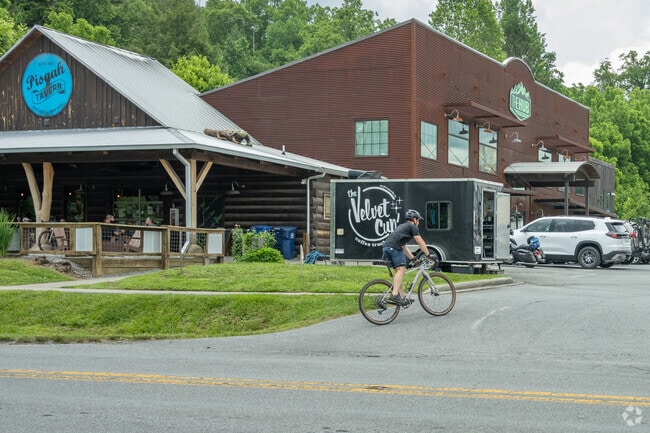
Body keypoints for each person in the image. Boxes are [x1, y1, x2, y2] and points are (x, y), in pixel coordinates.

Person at [381, 209, 434, 307]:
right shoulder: (412, 226)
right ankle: (395, 294)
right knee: (402, 270)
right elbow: (420, 241)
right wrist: (428, 254)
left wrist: (413, 258)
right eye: (418, 220)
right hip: (394, 248)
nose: (418, 222)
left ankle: (401, 297)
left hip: (386, 247)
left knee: (398, 272)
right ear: (414, 219)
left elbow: (404, 247)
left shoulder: (402, 227)